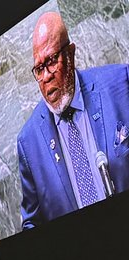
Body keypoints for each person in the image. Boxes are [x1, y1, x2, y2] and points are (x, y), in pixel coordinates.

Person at [17, 12, 129, 231]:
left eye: (51, 62)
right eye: (39, 69)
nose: (46, 76)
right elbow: (31, 224)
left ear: (70, 54)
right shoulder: (28, 143)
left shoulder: (121, 84)